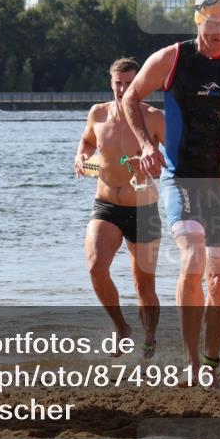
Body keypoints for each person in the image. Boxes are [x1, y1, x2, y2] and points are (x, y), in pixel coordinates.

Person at [122, 0, 220, 383]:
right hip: (182, 177)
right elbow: (130, 99)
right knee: (193, 257)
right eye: (213, 24)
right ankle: (191, 364)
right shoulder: (172, 58)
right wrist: (146, 145)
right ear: (198, 22)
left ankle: (210, 362)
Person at [75, 58, 166, 358]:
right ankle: (121, 328)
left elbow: (174, 163)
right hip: (106, 205)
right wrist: (81, 157)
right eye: (119, 83)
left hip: (144, 208)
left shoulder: (154, 118)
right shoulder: (98, 113)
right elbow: (87, 142)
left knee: (144, 287)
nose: (124, 89)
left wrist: (152, 167)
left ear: (140, 84)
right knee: (95, 267)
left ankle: (150, 336)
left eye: (130, 83)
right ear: (111, 83)